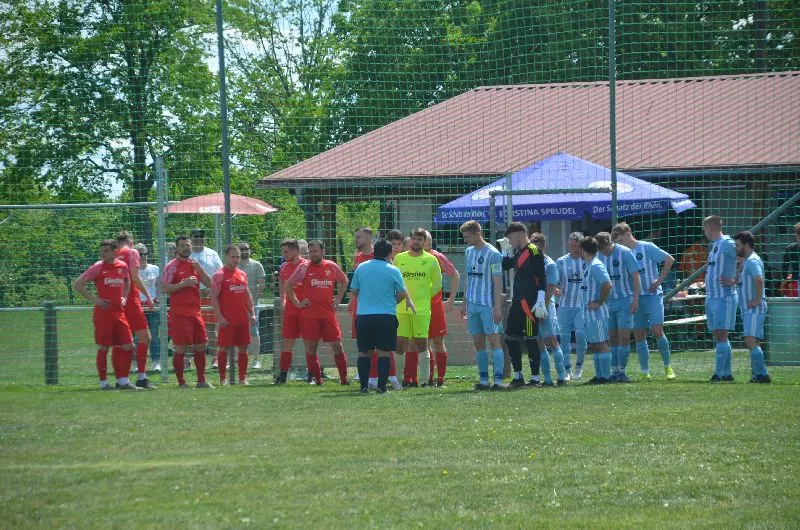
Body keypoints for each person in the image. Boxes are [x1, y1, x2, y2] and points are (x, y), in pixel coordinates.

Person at [612, 222, 677, 381]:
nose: (619, 242)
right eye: (617, 241)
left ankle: (668, 366)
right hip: (635, 298)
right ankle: (645, 371)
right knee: (639, 335)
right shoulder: (621, 253)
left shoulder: (646, 247)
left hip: (653, 296)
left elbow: (669, 260)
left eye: (620, 239)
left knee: (657, 330)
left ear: (628, 233)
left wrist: (658, 281)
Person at [350, 239, 415, 393]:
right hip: (386, 316)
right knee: (384, 352)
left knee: (364, 352)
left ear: (374, 252)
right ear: (389, 253)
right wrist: (392, 301)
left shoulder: (361, 267)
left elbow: (354, 290)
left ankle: (364, 386)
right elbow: (402, 293)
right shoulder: (393, 270)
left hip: (364, 316)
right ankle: (381, 387)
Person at [73, 239, 138, 390]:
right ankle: (103, 383)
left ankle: (123, 381)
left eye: (106, 251)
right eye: (101, 251)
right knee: (104, 347)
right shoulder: (98, 267)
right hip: (103, 314)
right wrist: (95, 300)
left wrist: (124, 297)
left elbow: (127, 281)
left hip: (119, 312)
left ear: (115, 251)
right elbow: (77, 284)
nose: (102, 253)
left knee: (128, 345)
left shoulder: (122, 266)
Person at [286, 240, 350, 385]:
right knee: (311, 347)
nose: (313, 254)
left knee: (337, 345)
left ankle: (344, 379)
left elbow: (344, 281)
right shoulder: (304, 267)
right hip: (309, 315)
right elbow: (288, 284)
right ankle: (318, 380)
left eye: (315, 251)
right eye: (310, 252)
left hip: (328, 314)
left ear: (322, 251)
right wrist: (297, 303)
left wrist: (338, 298)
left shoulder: (331, 266)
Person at [162, 235, 214, 388]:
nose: (186, 248)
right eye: (182, 245)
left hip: (196, 313)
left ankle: (201, 380)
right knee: (180, 348)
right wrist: (183, 284)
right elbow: (164, 288)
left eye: (188, 245)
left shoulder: (195, 264)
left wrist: (200, 269)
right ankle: (181, 382)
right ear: (177, 248)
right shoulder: (171, 266)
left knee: (201, 346)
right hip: (179, 314)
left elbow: (210, 283)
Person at [393, 228, 442, 388]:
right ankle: (398, 380)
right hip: (401, 309)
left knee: (422, 344)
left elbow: (437, 285)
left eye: (420, 239)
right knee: (400, 345)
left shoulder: (431, 260)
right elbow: (393, 281)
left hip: (421, 310)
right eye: (414, 238)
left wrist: (423, 298)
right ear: (410, 239)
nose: (416, 242)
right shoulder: (399, 258)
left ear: (424, 242)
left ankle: (424, 381)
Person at [500, 222, 548, 388]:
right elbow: (505, 265)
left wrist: (541, 299)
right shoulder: (518, 251)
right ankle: (518, 376)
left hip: (530, 302)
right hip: (517, 300)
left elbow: (542, 277)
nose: (510, 241)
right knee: (510, 337)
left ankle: (535, 378)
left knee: (530, 338)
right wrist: (505, 251)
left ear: (519, 235)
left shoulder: (534, 251)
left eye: (510, 238)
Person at [459, 220, 505, 390]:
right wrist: (464, 302)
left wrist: (497, 307)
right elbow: (468, 278)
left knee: (494, 341)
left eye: (468, 236)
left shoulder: (493, 253)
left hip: (488, 304)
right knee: (478, 343)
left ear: (478, 234)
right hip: (472, 304)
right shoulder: (468, 252)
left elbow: (498, 282)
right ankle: (484, 380)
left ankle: (498, 380)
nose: (466, 240)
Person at [596, 232, 640, 383]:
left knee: (624, 337)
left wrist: (635, 299)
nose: (604, 252)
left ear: (610, 243)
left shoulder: (625, 253)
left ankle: (622, 370)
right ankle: (614, 370)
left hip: (625, 300)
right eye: (601, 249)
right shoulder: (598, 256)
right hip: (607, 303)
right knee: (612, 338)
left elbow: (636, 277)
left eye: (605, 248)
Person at [211, 244, 257, 386]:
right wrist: (219, 317)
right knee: (223, 348)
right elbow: (214, 297)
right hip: (227, 319)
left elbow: (247, 296)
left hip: (242, 318)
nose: (236, 259)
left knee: (243, 347)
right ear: (226, 257)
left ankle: (242, 378)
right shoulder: (219, 275)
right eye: (233, 257)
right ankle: (223, 379)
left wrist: (252, 313)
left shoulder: (242, 274)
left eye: (238, 257)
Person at [115, 231, 157, 389]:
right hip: (131, 300)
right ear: (131, 242)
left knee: (122, 342)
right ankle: (141, 377)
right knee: (145, 337)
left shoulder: (115, 254)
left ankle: (121, 379)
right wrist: (148, 296)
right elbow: (135, 276)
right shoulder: (132, 252)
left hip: (117, 300)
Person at [419, 230, 460, 387]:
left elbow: (455, 275)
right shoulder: (411, 257)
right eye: (426, 242)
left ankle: (440, 378)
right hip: (419, 307)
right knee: (424, 342)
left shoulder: (437, 257)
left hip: (435, 306)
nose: (428, 246)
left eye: (430, 243)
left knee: (438, 341)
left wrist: (451, 299)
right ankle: (427, 378)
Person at [703, 215, 738, 382]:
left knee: (722, 334)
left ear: (710, 228)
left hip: (724, 297)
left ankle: (719, 373)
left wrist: (735, 280)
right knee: (719, 335)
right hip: (712, 297)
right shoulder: (715, 245)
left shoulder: (727, 243)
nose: (705, 233)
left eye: (705, 229)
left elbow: (746, 258)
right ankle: (727, 374)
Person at [734, 231, 771, 384]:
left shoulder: (753, 261)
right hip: (748, 309)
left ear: (747, 245)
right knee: (752, 340)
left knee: (750, 340)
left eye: (738, 245)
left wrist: (757, 300)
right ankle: (758, 374)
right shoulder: (746, 261)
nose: (736, 248)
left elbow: (759, 280)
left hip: (754, 308)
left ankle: (762, 374)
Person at [530, 232, 566, 386]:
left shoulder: (549, 264)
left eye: (537, 246)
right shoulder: (530, 262)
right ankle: (547, 379)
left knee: (552, 340)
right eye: (532, 245)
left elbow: (550, 288)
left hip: (546, 306)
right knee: (539, 341)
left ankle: (561, 377)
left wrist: (542, 308)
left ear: (544, 246)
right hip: (532, 305)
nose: (534, 249)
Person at [579, 236, 613, 384]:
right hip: (588, 314)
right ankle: (599, 376)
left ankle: (606, 376)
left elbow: (607, 285)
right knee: (595, 344)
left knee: (601, 343)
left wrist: (599, 303)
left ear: (582, 249)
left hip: (597, 313)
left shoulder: (596, 265)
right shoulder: (588, 265)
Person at [188, 229, 223, 368]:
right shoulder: (187, 254)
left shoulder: (212, 253)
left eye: (201, 236)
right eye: (195, 236)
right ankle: (188, 359)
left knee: (211, 328)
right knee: (190, 328)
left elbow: (220, 273)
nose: (198, 239)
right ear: (190, 238)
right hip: (191, 295)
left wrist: (211, 289)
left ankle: (215, 358)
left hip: (210, 295)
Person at [274, 239, 307, 384]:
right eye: (283, 251)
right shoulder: (284, 267)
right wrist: (283, 301)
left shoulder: (306, 265)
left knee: (309, 342)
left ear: (295, 250)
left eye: (286, 251)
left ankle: (312, 374)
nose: (284, 254)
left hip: (305, 309)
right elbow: (282, 286)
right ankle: (282, 375)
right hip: (290, 310)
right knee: (287, 342)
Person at [556, 232, 587, 380]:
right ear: (569, 244)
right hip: (565, 305)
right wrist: (557, 289)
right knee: (564, 338)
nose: (574, 249)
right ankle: (566, 369)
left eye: (577, 246)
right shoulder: (561, 261)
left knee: (581, 335)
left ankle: (579, 366)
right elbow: (556, 281)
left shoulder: (587, 260)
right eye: (572, 245)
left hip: (582, 305)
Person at [237, 242, 266, 370]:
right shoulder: (234, 265)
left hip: (252, 305)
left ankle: (256, 360)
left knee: (254, 332)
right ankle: (238, 358)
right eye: (241, 249)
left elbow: (261, 285)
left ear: (250, 250)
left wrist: (254, 302)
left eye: (246, 249)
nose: (244, 251)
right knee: (237, 331)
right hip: (236, 305)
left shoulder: (256, 265)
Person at [135, 243, 162, 373]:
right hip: (138, 305)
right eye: (139, 254)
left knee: (154, 335)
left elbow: (159, 286)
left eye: (144, 253)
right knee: (137, 336)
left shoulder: (155, 268)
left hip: (153, 305)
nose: (142, 256)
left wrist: (158, 300)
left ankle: (156, 362)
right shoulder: (132, 270)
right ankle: (136, 363)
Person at [780, 221, 800, 298]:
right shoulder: (791, 248)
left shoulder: (791, 248)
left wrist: (787, 278)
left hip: (795, 283)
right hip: (795, 283)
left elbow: (784, 269)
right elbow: (784, 269)